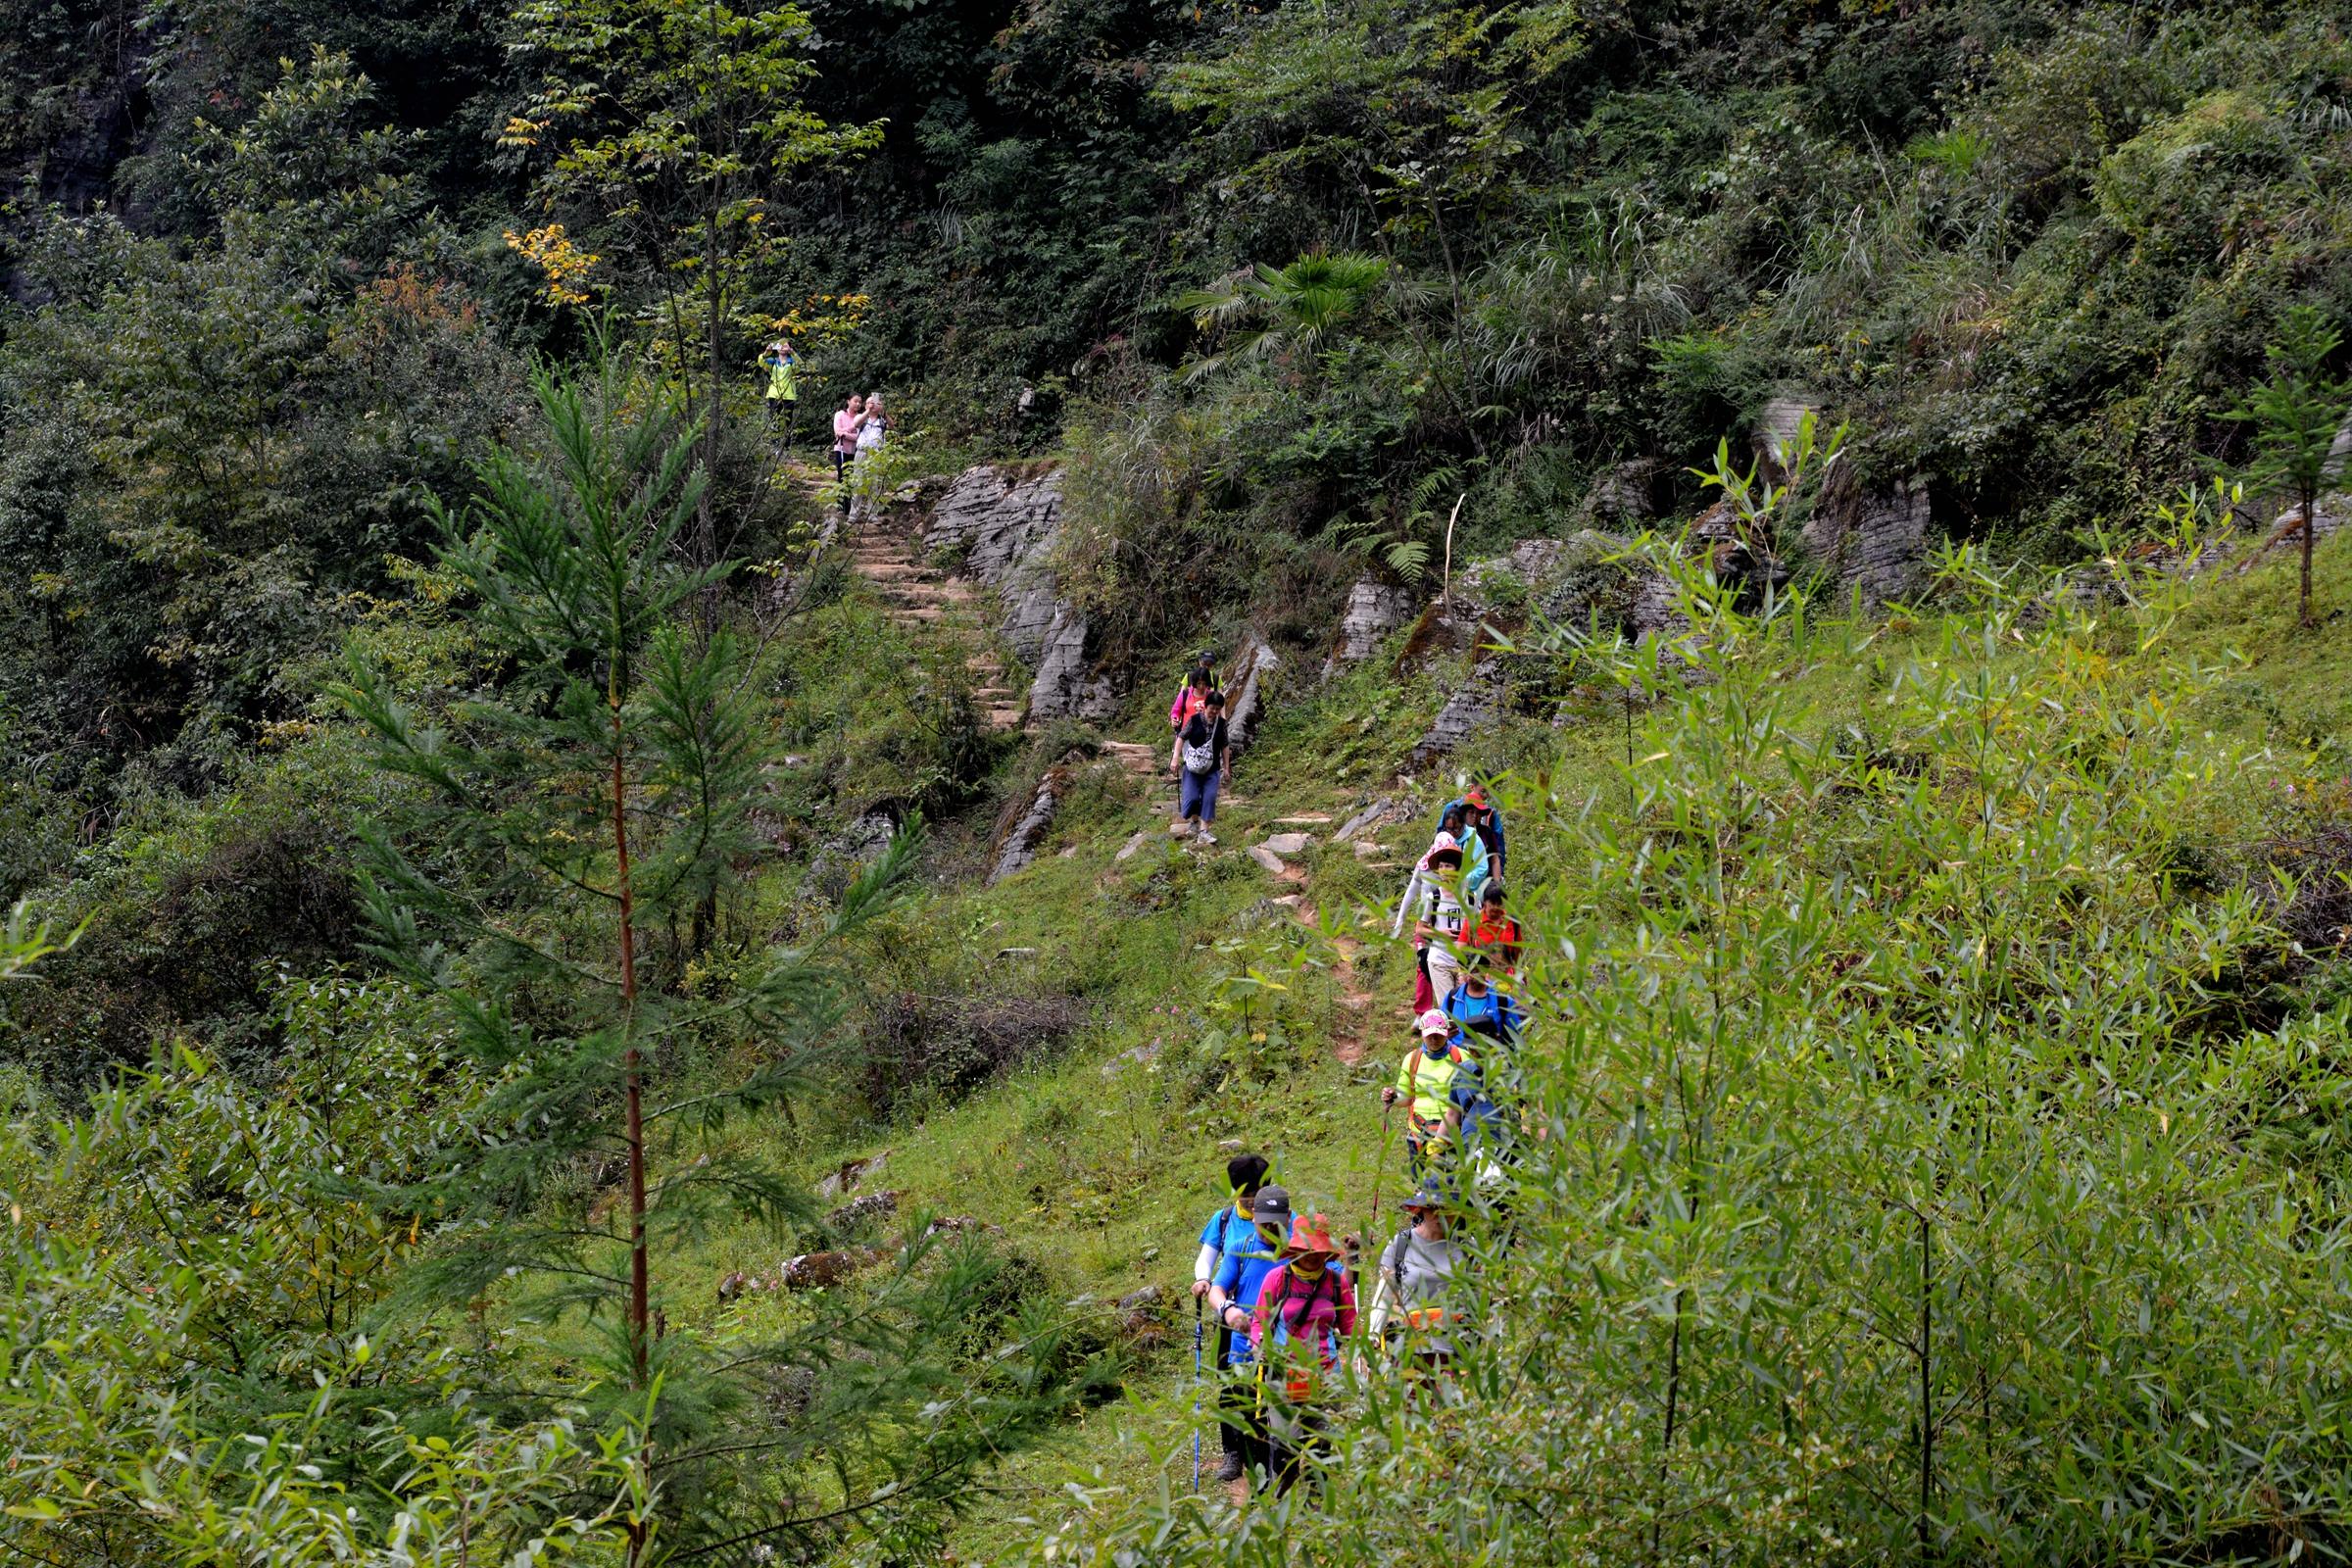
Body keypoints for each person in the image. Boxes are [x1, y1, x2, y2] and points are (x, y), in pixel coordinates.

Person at [1248, 1212, 1356, 1495]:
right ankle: (1278, 1503)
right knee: (1286, 1450)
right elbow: (1259, 1322)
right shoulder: (1277, 1279)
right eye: (1308, 1250)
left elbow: (1350, 1326)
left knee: (1321, 1449)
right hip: (1285, 1378)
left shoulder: (1336, 1283)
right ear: (1296, 1249)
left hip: (1326, 1376)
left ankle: (1316, 1508)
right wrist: (1259, 1343)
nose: (1313, 1256)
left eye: (1318, 1251)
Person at [1208, 1185, 1294, 1492]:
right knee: (1251, 1422)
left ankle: (1284, 1483)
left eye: (1276, 1224)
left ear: (1288, 1218)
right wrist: (1228, 1310)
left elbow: (1335, 1281)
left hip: (1289, 1353)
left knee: (1285, 1421)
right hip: (1246, 1350)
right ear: (1253, 1216)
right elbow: (1217, 1290)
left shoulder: (1301, 1249)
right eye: (1264, 1223)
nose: (1269, 1230)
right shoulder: (1240, 1248)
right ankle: (1260, 1489)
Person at [1193, 1153, 1270, 1482]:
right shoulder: (1224, 1220)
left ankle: (1269, 1447)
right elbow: (1206, 1258)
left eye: (1256, 1193)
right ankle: (1233, 1450)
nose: (1251, 1201)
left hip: (1274, 1315)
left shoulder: (1279, 1214)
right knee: (1230, 1382)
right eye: (1245, 1195)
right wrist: (1204, 1280)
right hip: (1232, 1314)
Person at [1366, 1176, 1461, 1374]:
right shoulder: (1401, 1244)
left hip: (1454, 1351)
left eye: (1446, 1209)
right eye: (1433, 1208)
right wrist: (1373, 1333)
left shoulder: (1466, 1248)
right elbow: (1385, 1294)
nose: (1439, 1215)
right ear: (1421, 1209)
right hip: (1409, 1349)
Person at [1380, 1009, 1468, 1176]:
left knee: (1450, 1179)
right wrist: (1392, 1097)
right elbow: (1406, 1099)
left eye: (1438, 1035)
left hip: (1452, 1129)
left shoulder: (1462, 1057)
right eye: (1429, 1035)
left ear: (1446, 1032)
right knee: (1420, 1180)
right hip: (1418, 1130)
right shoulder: (1412, 1059)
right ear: (1422, 1033)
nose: (1434, 1039)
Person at [1170, 688, 1230, 845]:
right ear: (1205, 706)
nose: (1214, 712)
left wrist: (1226, 767)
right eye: (1212, 708)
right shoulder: (1195, 720)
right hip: (1192, 767)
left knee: (1209, 797)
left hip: (1212, 768)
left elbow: (1225, 746)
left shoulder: (1221, 724)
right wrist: (1175, 758)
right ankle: (1194, 821)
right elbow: (1181, 737)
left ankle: (1204, 831)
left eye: (1218, 709)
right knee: (1192, 798)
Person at [1444, 952, 1526, 1054]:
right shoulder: (1452, 998)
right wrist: (1445, 1036)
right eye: (1465, 972)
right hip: (1460, 1059)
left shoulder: (1502, 1000)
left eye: (1474, 972)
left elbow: (1517, 1038)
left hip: (1493, 1058)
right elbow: (1436, 1037)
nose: (1469, 977)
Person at [1464, 881, 1524, 979]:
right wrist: (1464, 975)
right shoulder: (1474, 920)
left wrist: (1522, 977)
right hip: (1480, 978)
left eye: (1499, 903)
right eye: (1492, 903)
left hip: (1506, 976)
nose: (1496, 907)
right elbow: (1465, 950)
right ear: (1484, 902)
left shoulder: (1512, 921)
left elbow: (1518, 954)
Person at [1169, 654, 1214, 736]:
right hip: (1186, 735)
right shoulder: (1185, 694)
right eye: (1199, 683)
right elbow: (1176, 710)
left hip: (1206, 736)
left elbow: (1216, 713)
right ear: (1194, 682)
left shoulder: (1211, 696)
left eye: (1204, 684)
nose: (1201, 686)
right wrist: (1174, 719)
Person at [831, 394, 864, 488]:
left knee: (852, 477)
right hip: (841, 449)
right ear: (848, 401)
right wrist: (853, 428)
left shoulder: (861, 418)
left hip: (855, 451)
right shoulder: (839, 414)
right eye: (855, 401)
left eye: (860, 402)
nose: (858, 404)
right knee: (842, 476)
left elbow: (860, 437)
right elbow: (837, 432)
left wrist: (845, 434)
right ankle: (841, 497)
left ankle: (850, 497)